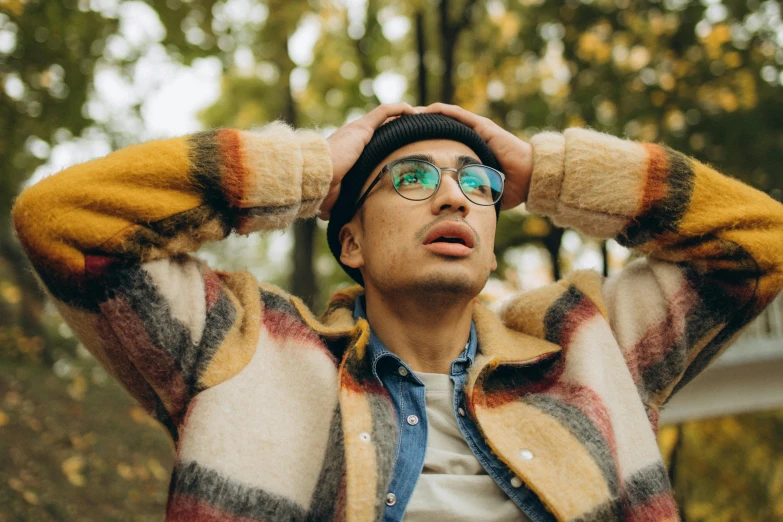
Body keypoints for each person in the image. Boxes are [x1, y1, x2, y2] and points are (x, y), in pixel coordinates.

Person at [11, 102, 783, 522]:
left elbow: (760, 245)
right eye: (411, 177)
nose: (453, 195)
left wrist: (548, 173)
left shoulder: (587, 343)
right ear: (349, 239)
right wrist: (314, 166)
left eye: (477, 184)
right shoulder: (245, 350)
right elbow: (66, 224)